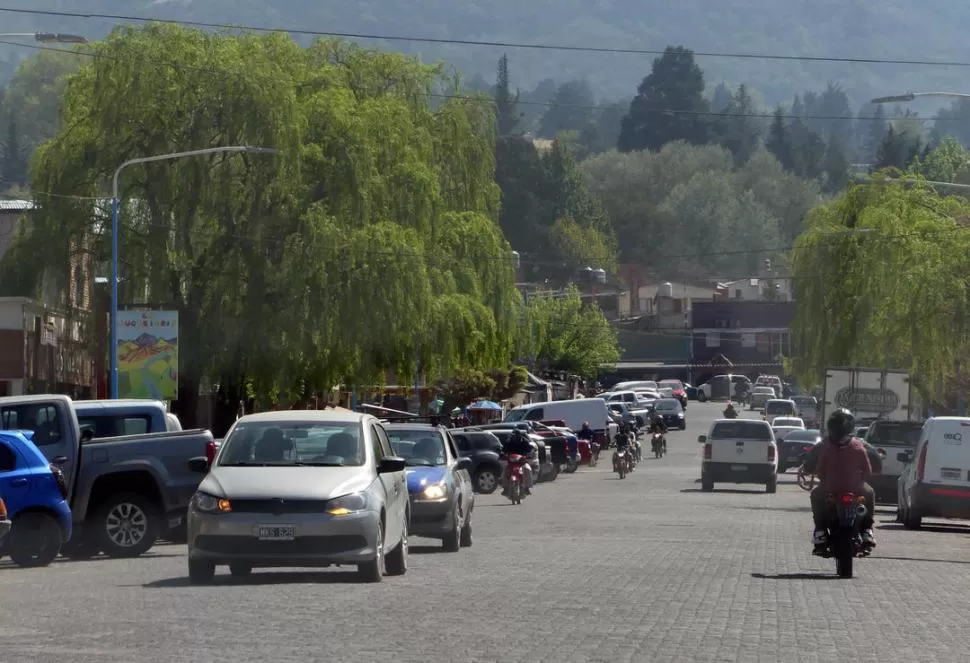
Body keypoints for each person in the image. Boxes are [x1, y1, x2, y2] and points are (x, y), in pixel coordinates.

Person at [809, 408, 876, 553]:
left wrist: (825, 480)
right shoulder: (858, 445)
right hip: (856, 488)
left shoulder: (827, 447)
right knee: (870, 493)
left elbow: (820, 471)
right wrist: (858, 480)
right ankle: (867, 530)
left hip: (830, 488)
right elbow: (868, 471)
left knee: (815, 495)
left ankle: (820, 531)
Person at [502, 429, 534, 495]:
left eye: (516, 435)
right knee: (505, 471)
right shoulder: (508, 442)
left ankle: (527, 488)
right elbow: (503, 450)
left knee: (527, 469)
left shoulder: (525, 441)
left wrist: (529, 454)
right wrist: (503, 454)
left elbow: (529, 449)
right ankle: (505, 488)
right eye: (513, 435)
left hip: (522, 461)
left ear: (520, 435)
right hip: (511, 462)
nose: (515, 437)